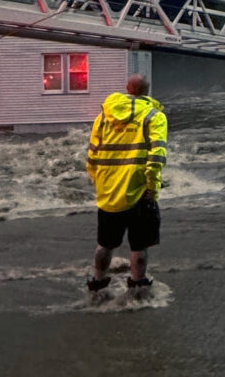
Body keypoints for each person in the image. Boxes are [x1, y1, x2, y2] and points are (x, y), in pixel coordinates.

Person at [86, 75, 167, 295]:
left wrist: (99, 181)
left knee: (105, 243)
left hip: (108, 190)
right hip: (139, 190)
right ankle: (138, 286)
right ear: (147, 92)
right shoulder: (154, 116)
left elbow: (92, 154)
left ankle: (97, 282)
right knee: (139, 245)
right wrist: (153, 187)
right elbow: (157, 156)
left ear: (127, 89)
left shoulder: (103, 116)